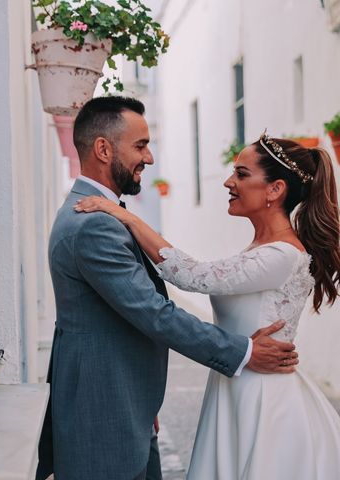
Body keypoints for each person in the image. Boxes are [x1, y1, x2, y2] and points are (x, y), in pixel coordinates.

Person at [35, 96, 299, 480]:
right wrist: (242, 352)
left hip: (125, 404)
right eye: (140, 146)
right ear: (104, 149)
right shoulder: (94, 223)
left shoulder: (100, 214)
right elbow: (155, 314)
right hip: (104, 414)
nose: (150, 158)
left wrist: (142, 399)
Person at [75, 130, 340, 478]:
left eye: (242, 174)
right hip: (237, 384)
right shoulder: (265, 250)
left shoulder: (281, 255)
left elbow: (193, 276)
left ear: (275, 190)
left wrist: (127, 216)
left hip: (261, 399)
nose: (229, 182)